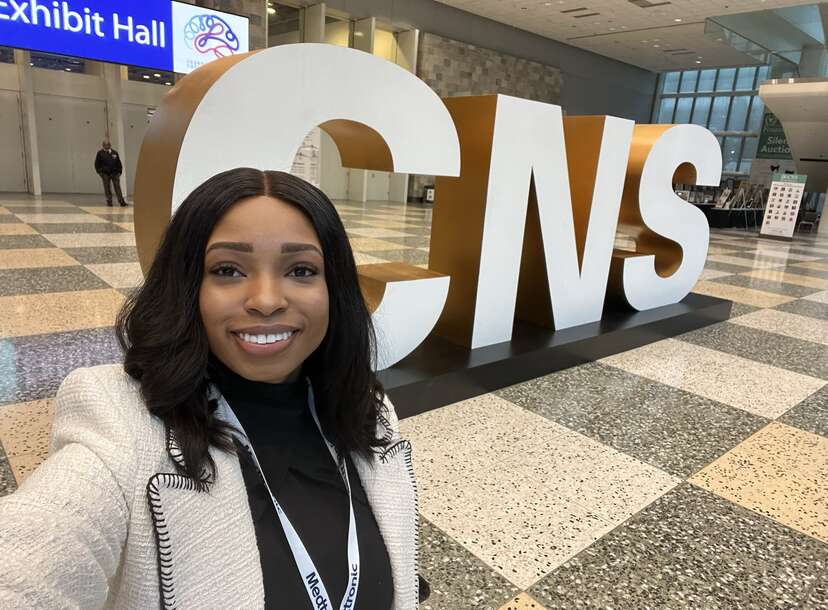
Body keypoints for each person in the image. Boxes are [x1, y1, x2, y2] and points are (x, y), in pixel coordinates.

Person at [0, 169, 423, 609]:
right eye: (228, 270)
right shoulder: (120, 422)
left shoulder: (365, 410)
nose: (265, 299)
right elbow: (35, 550)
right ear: (188, 286)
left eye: (301, 270)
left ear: (333, 288)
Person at [94, 139, 128, 207]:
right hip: (105, 174)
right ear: (103, 145)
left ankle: (121, 201)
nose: (107, 145)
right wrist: (100, 172)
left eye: (109, 144)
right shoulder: (100, 153)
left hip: (115, 173)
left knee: (117, 187)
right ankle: (109, 201)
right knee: (107, 187)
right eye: (106, 144)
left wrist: (119, 171)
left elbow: (119, 163)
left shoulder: (114, 152)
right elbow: (97, 164)